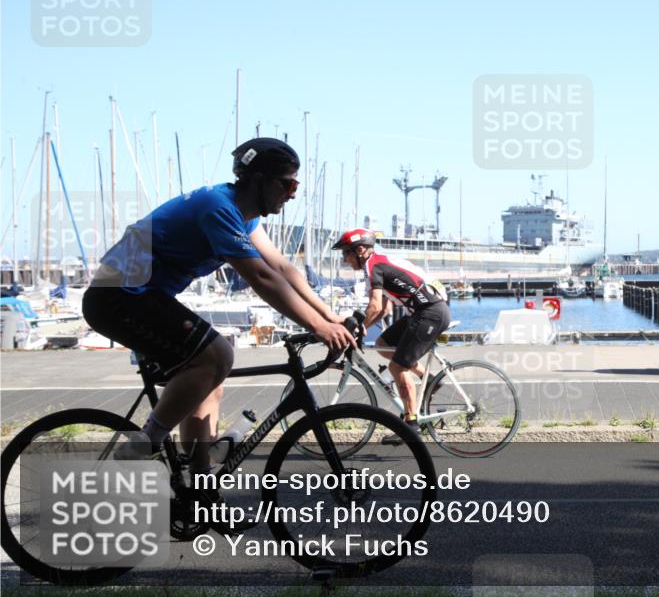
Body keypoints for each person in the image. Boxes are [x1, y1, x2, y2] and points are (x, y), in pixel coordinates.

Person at [82, 137, 356, 470]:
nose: (293, 193)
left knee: (210, 379)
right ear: (258, 179)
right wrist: (317, 327)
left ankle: (198, 487)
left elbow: (281, 267)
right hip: (118, 295)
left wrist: (328, 316)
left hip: (140, 294)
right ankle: (144, 444)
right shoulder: (218, 207)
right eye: (288, 183)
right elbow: (261, 278)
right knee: (217, 356)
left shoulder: (245, 215)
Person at [333, 228, 450, 440]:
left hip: (430, 313)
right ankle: (429, 379)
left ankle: (410, 424)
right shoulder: (379, 263)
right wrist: (365, 326)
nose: (345, 260)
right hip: (422, 312)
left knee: (397, 366)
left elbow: (375, 306)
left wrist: (357, 328)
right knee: (382, 343)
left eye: (345, 254)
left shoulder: (373, 266)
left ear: (360, 250)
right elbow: (385, 310)